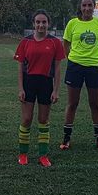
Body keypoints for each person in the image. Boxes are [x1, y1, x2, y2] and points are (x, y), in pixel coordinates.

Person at [14, 10, 65, 167]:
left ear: (48, 24)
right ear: (33, 24)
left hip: (46, 83)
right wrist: (21, 88)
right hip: (29, 83)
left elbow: (57, 69)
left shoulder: (55, 43)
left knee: (43, 120)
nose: (41, 25)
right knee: (27, 119)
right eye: (38, 22)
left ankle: (43, 155)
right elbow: (20, 68)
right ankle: (23, 154)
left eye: (44, 22)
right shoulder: (25, 42)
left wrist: (56, 90)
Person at [61, 0, 98, 150]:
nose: (87, 8)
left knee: (94, 104)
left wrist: (97, 58)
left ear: (94, 7)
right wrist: (73, 58)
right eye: (84, 5)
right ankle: (66, 139)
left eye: (90, 5)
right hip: (75, 67)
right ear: (80, 7)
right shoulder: (72, 24)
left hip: (94, 67)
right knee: (72, 103)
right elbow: (66, 44)